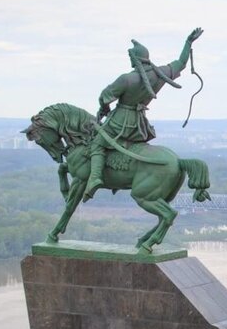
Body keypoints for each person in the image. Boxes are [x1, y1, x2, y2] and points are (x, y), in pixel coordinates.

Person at [83, 28, 203, 200]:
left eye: (131, 57)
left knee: (97, 144)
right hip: (139, 124)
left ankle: (95, 178)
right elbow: (181, 63)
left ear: (135, 58)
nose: (130, 60)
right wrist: (188, 43)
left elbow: (104, 97)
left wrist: (104, 109)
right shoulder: (160, 74)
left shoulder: (126, 79)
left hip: (120, 122)